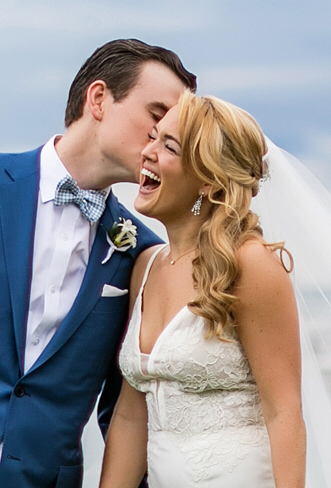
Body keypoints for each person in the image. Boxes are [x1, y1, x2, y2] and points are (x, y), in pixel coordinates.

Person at [0, 39, 196, 488]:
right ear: (99, 99)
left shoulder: (141, 253)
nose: (162, 140)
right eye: (156, 116)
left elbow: (127, 411)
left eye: (173, 131)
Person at [99, 90, 306, 487]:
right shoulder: (146, 265)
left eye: (169, 146)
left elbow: (284, 412)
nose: (148, 152)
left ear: (209, 183)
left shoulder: (250, 265)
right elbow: (129, 415)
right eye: (153, 136)